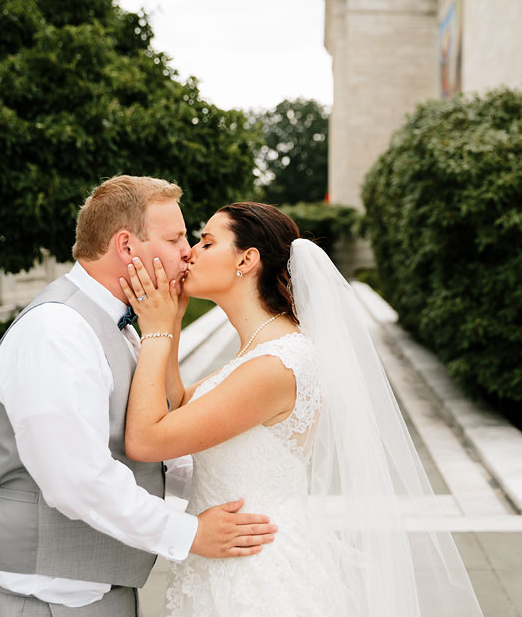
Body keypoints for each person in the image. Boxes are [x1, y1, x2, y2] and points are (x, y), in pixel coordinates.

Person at [122, 201, 483, 616]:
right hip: (232, 557)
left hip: (256, 574)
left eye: (206, 242)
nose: (190, 253)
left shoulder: (275, 365)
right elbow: (182, 405)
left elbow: (148, 438)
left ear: (246, 259)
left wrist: (155, 333)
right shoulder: (261, 350)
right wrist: (173, 323)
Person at [0, 176, 277, 617]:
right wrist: (189, 534)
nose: (187, 251)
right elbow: (76, 479)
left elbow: (147, 449)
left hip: (93, 594)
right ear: (128, 247)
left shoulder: (122, 326)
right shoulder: (57, 331)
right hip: (44, 599)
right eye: (175, 238)